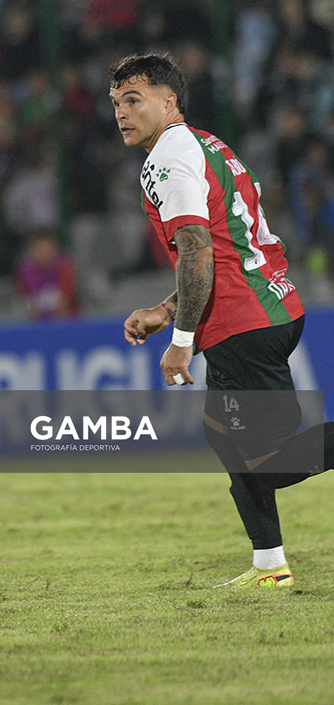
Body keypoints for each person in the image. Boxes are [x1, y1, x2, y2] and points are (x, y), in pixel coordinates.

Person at [112, 53, 334, 588]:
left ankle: (270, 565)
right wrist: (167, 310)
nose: (121, 112)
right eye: (116, 102)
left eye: (133, 100)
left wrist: (181, 340)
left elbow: (197, 252)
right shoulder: (211, 146)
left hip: (242, 322)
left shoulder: (167, 157)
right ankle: (269, 566)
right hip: (267, 305)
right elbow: (220, 244)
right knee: (225, 438)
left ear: (169, 103)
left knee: (268, 463)